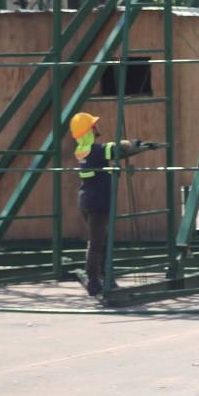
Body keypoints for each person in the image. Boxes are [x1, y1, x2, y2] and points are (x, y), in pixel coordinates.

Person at [70, 111, 159, 296]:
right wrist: (139, 145)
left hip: (88, 201)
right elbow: (119, 148)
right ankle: (94, 280)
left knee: (101, 241)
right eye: (93, 125)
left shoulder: (82, 151)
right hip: (98, 203)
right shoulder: (97, 151)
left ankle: (103, 275)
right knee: (96, 243)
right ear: (89, 130)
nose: (97, 127)